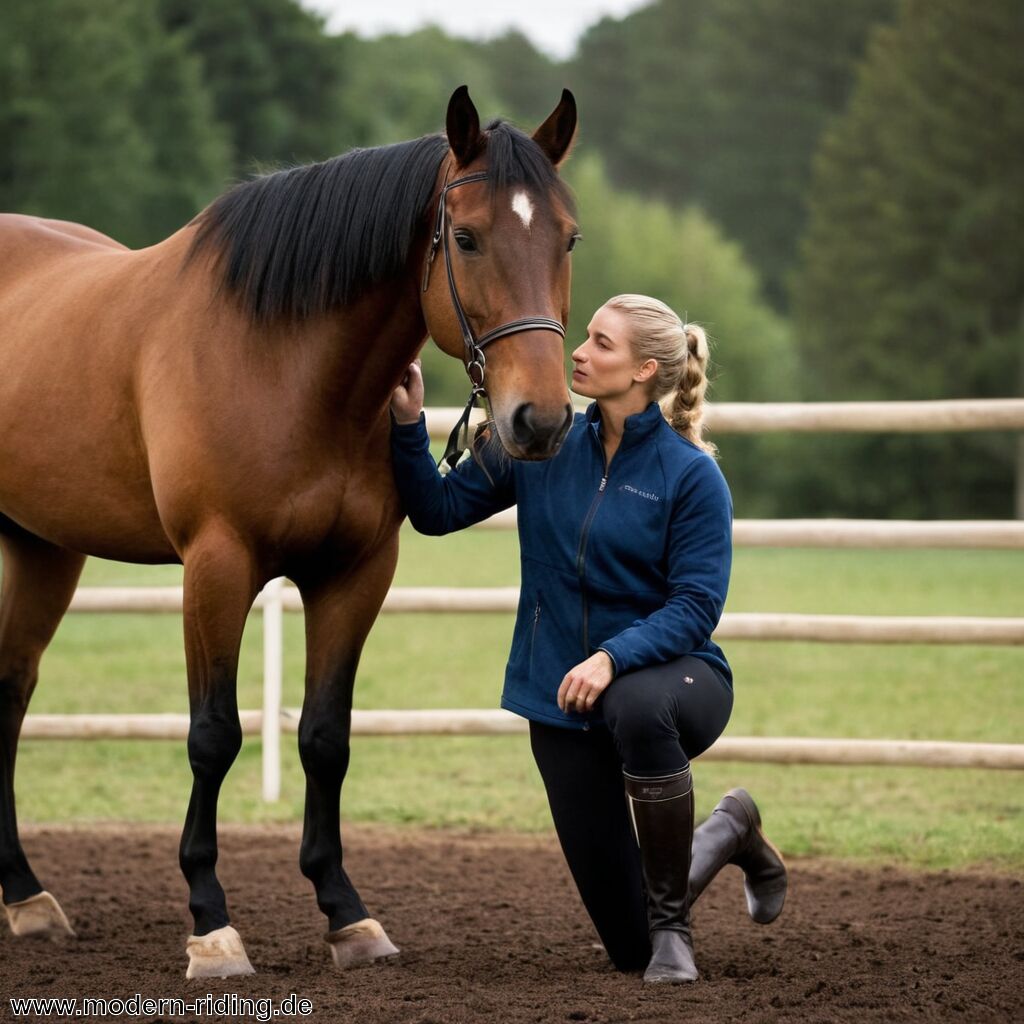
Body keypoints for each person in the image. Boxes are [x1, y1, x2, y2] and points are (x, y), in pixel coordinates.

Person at [389, 294, 787, 983]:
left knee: (634, 703)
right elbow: (436, 510)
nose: (577, 350)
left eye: (600, 343)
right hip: (562, 702)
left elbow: (696, 606)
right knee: (625, 952)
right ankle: (732, 828)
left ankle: (674, 933)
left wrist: (610, 657)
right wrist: (406, 425)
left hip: (678, 682)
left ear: (643, 371)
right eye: (587, 337)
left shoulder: (691, 475)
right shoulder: (540, 443)